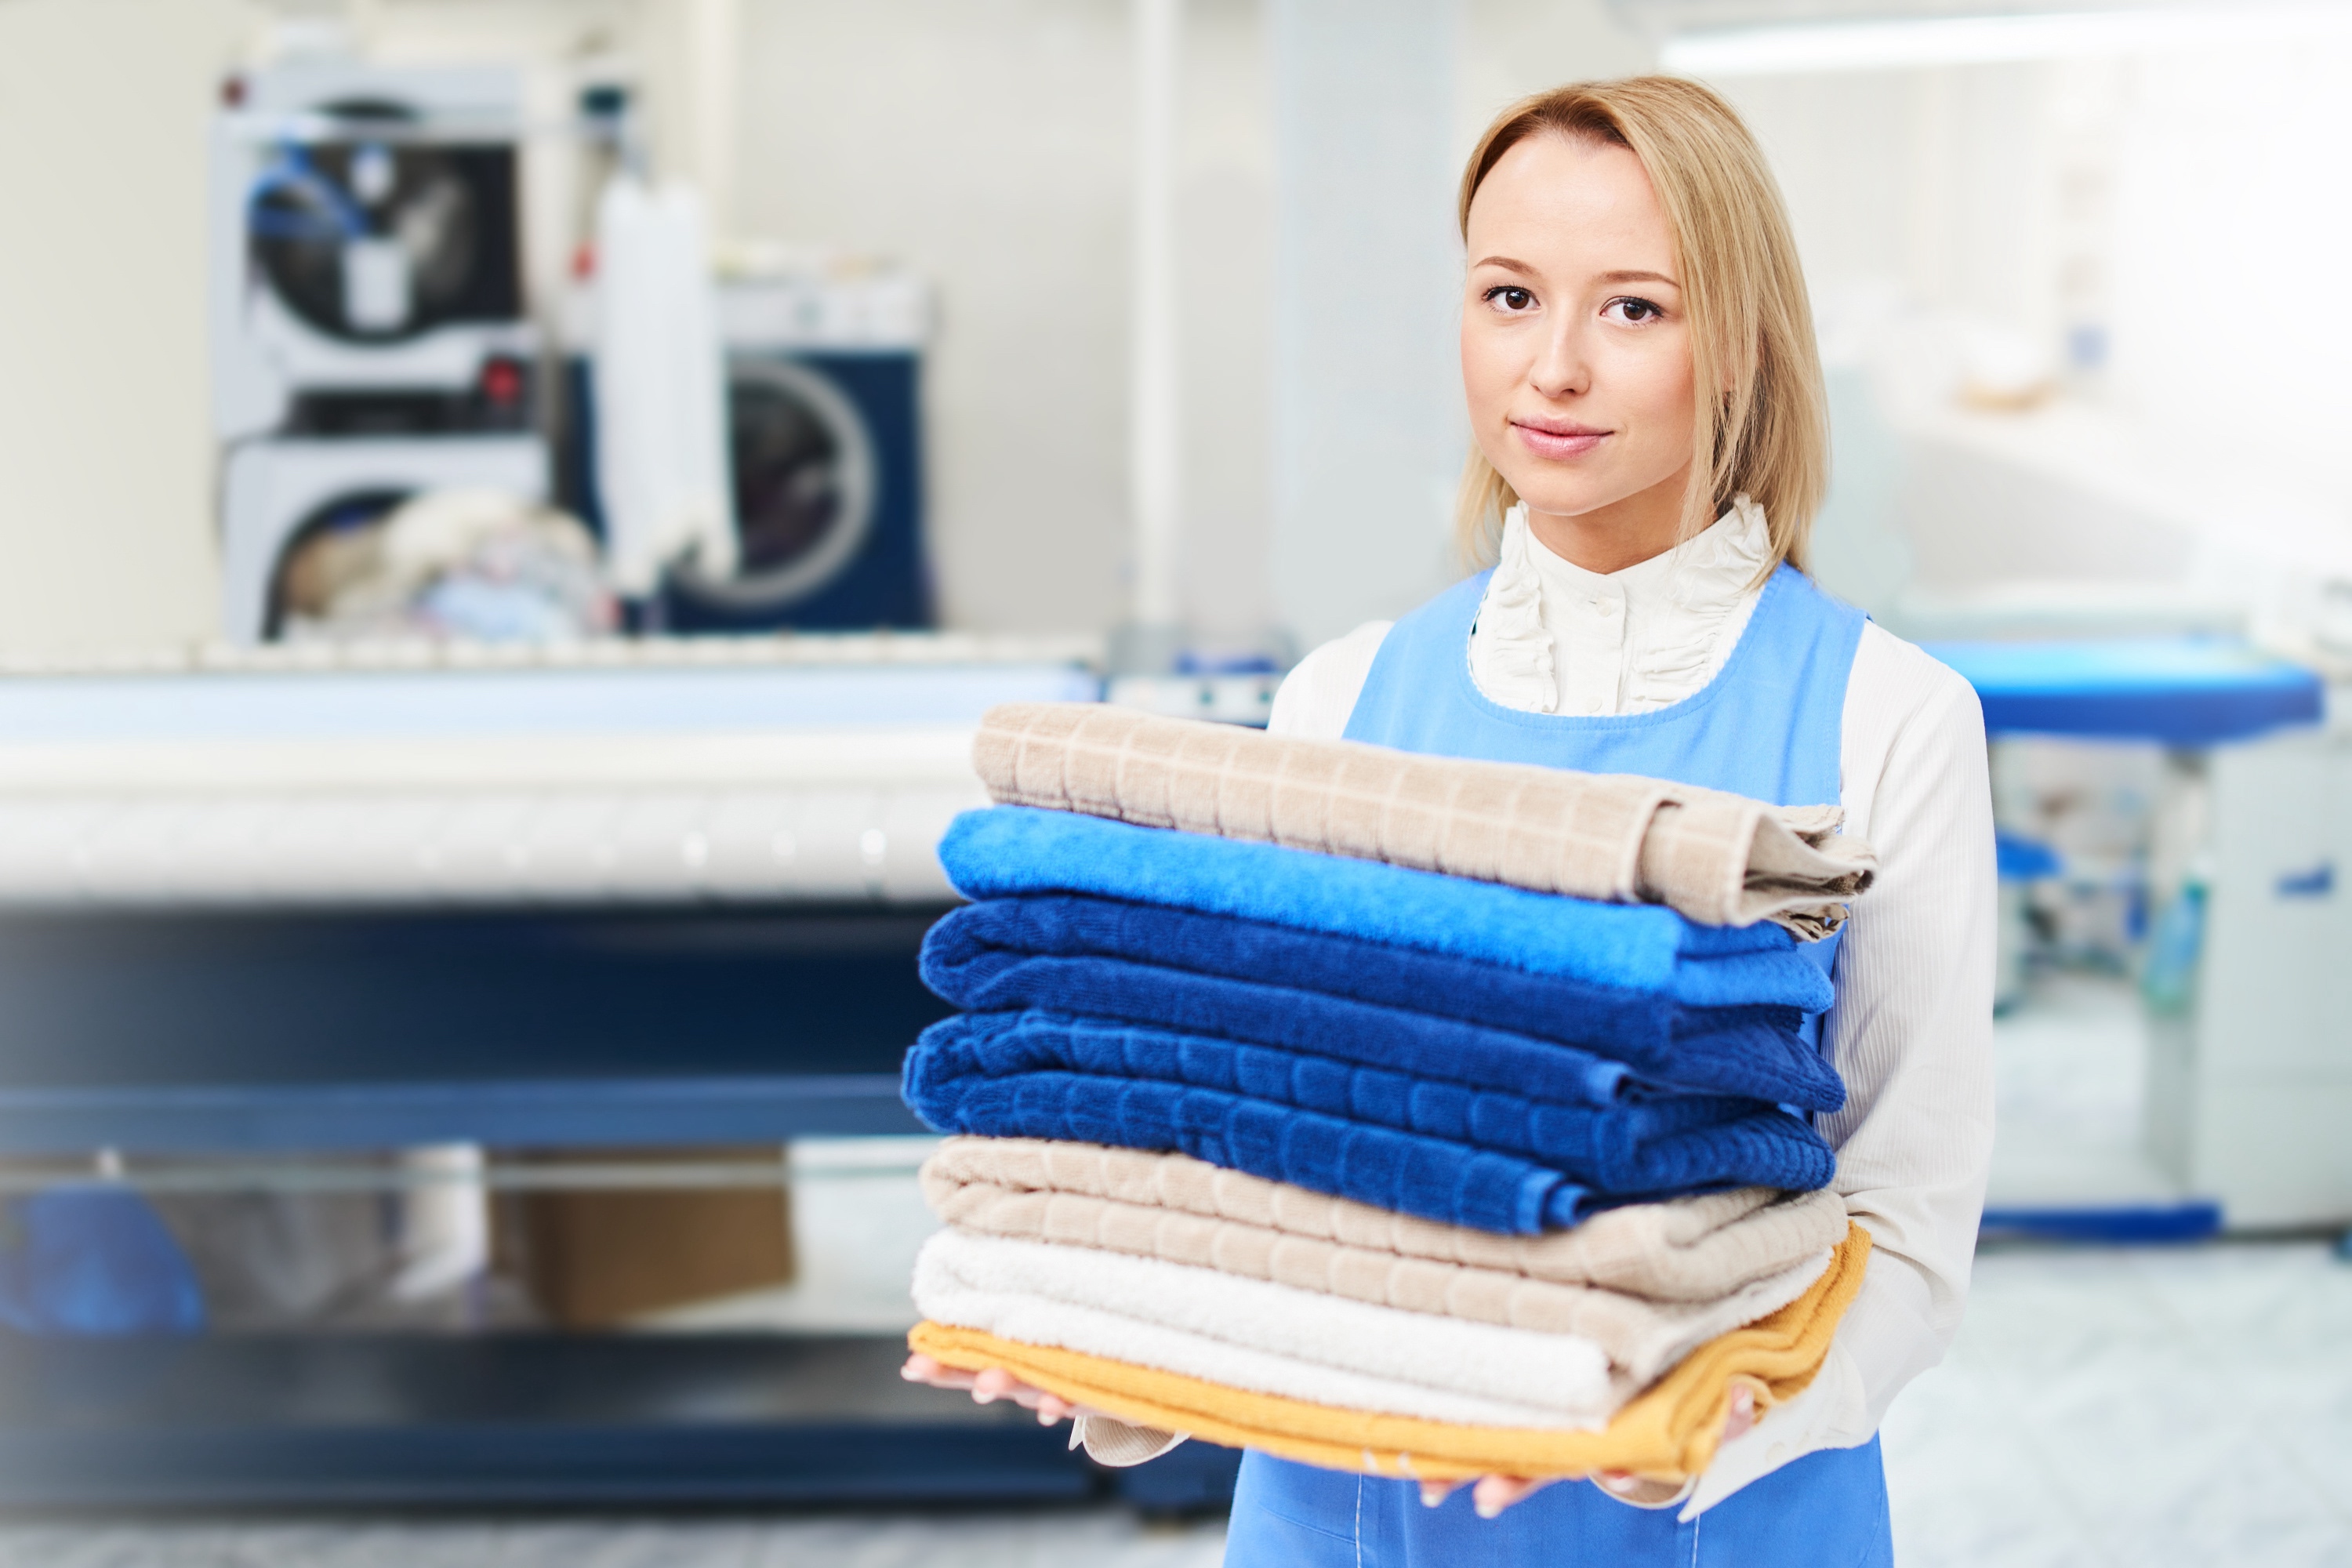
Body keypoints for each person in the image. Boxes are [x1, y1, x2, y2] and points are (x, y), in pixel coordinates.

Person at [908, 74, 1994, 1567]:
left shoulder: (1887, 716)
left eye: (1633, 311)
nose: (1552, 367)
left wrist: (1677, 1425)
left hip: (1716, 1523)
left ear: (1735, 341)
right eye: (1507, 295)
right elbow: (1275, 1176)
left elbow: (1909, 1231)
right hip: (1345, 1524)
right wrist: (1112, 1363)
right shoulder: (1341, 700)